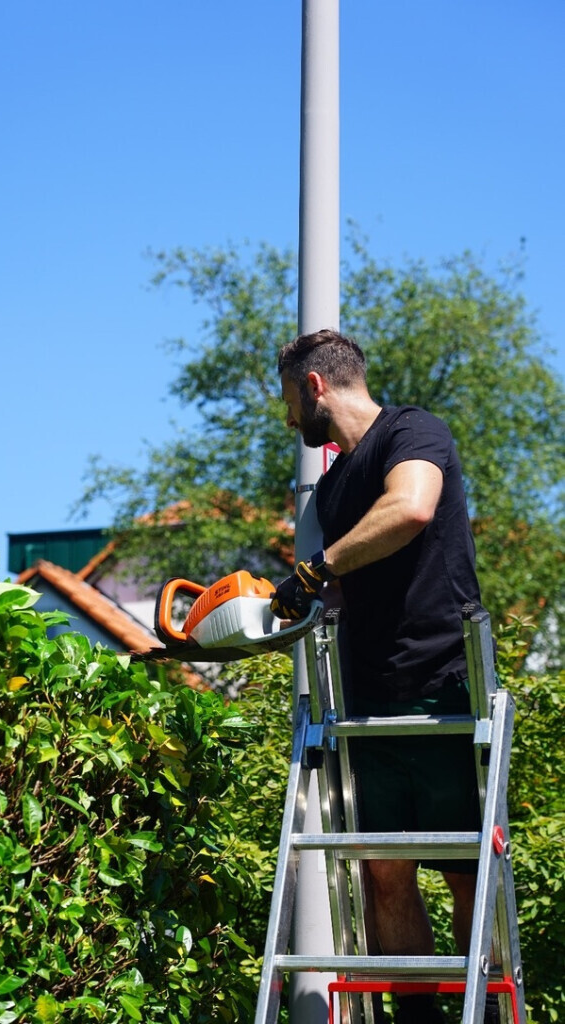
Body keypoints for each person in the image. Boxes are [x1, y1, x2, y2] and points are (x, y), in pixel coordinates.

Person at [270, 328, 499, 1024]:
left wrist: (318, 567)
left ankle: (477, 1016)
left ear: (314, 386)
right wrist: (281, 607)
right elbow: (342, 583)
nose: (287, 420)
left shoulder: (412, 432)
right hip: (366, 700)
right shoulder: (335, 486)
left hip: (442, 693)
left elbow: (410, 509)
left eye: (286, 400)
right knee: (382, 873)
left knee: (465, 871)